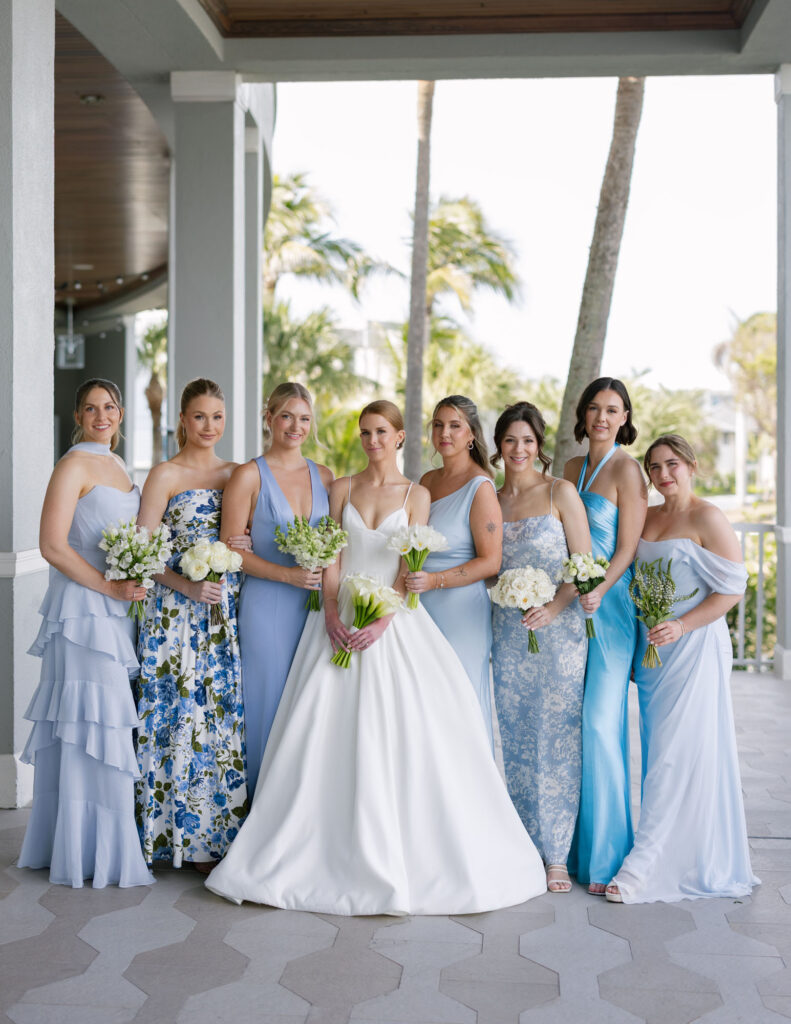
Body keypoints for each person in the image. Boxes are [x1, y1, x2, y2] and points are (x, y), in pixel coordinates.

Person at [206, 400, 546, 914]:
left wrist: (383, 617)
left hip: (396, 622)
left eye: (381, 432)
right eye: (364, 433)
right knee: (320, 732)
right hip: (338, 620)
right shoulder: (340, 487)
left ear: (400, 437)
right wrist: (331, 616)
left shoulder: (418, 494)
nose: (372, 441)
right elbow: (333, 560)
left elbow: (411, 567)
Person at [606, 435, 759, 903]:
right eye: (653, 467)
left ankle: (645, 865)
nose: (662, 474)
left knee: (676, 752)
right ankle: (671, 847)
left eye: (671, 464)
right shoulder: (648, 517)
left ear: (691, 465)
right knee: (658, 753)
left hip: (693, 649)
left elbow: (733, 589)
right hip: (654, 655)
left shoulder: (707, 517)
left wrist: (681, 625)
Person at [18, 379, 153, 888]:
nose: (102, 415)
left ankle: (96, 841)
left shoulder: (119, 466)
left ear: (120, 413)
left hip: (114, 608)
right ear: (78, 414)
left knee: (106, 723)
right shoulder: (72, 464)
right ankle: (82, 851)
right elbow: (52, 545)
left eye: (110, 406)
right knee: (87, 725)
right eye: (92, 408)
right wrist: (108, 587)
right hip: (83, 613)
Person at [135, 379, 249, 872]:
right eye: (199, 416)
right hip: (173, 616)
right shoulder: (165, 474)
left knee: (216, 720)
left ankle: (210, 841)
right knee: (174, 717)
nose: (209, 426)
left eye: (217, 417)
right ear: (182, 419)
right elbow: (141, 555)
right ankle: (164, 839)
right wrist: (185, 585)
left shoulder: (238, 474)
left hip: (221, 616)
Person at [491, 403, 591, 894]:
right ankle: (520, 844)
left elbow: (584, 564)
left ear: (540, 445)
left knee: (555, 737)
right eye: (510, 440)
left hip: (558, 633)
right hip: (506, 634)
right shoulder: (489, 499)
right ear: (497, 445)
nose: (519, 450)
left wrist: (553, 607)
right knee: (512, 736)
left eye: (527, 441)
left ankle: (555, 853)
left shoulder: (560, 492)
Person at [220, 383, 333, 796]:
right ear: (269, 418)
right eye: (286, 416)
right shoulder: (248, 475)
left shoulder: (324, 475)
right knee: (267, 705)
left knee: (309, 707)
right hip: (267, 606)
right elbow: (232, 551)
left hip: (317, 609)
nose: (295, 426)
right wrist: (287, 576)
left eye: (304, 418)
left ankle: (299, 810)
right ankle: (257, 812)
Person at [563, 377, 646, 894]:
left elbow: (628, 548)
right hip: (571, 603)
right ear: (583, 413)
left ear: (624, 418)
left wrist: (598, 588)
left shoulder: (628, 470)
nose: (601, 417)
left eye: (612, 410)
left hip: (610, 607)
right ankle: (572, 851)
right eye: (594, 408)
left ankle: (610, 858)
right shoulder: (571, 469)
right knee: (573, 723)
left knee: (600, 722)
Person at [406, 395, 502, 750]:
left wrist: (435, 580)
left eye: (454, 425)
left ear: (471, 435)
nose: (444, 433)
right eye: (438, 424)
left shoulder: (480, 487)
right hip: (420, 608)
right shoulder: (427, 481)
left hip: (461, 611)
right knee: (424, 709)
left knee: (459, 705)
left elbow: (491, 562)